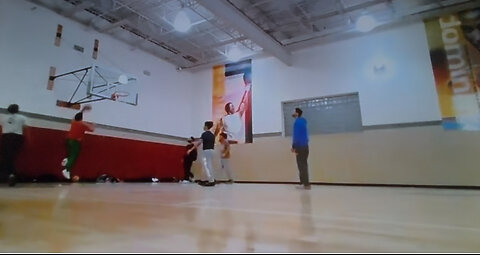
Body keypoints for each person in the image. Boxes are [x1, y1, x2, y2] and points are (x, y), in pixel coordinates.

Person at [216, 73, 252, 144]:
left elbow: (243, 102)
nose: (234, 107)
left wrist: (247, 89)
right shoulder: (223, 119)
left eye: (233, 106)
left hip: (239, 141)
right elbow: (218, 129)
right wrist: (213, 138)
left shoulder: (237, 115)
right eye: (232, 106)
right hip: (229, 142)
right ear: (228, 109)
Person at [61, 105, 94, 180]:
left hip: (68, 140)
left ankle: (66, 160)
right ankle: (66, 170)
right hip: (75, 142)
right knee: (73, 156)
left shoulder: (73, 122)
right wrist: (92, 124)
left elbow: (75, 117)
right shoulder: (82, 124)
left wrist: (82, 110)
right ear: (81, 119)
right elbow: (92, 129)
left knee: (70, 153)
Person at [0, 104, 28, 186]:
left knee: (6, 157)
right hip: (17, 137)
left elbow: (3, 128)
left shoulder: (3, 117)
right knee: (11, 157)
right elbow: (25, 128)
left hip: (5, 137)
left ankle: (10, 175)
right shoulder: (22, 118)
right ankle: (11, 175)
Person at [191, 121, 216, 187]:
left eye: (204, 125)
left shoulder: (204, 134)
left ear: (206, 126)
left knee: (207, 166)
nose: (203, 126)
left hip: (206, 151)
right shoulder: (212, 135)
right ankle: (204, 179)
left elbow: (199, 142)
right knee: (207, 165)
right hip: (212, 150)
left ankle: (211, 181)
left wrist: (191, 149)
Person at [291, 108, 310, 190]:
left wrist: (293, 146)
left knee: (301, 166)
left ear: (297, 113)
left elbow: (296, 135)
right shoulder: (303, 122)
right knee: (304, 165)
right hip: (305, 146)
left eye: (294, 111)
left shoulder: (297, 122)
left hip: (300, 147)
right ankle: (305, 184)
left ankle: (305, 184)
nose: (292, 112)